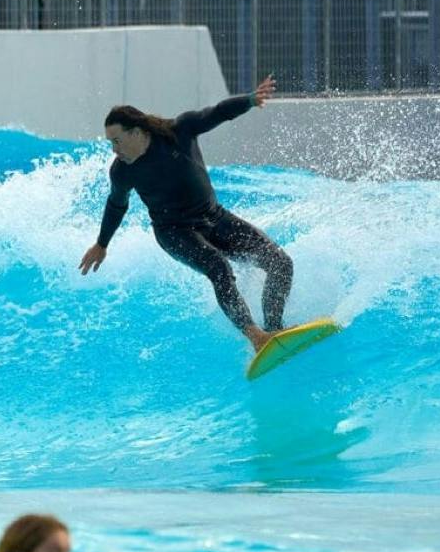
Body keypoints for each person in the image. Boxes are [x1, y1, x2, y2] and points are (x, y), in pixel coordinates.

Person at [80, 75, 291, 351]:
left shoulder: (178, 130)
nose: (114, 150)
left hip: (214, 217)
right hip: (174, 232)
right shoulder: (123, 171)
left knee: (280, 263)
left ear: (136, 132)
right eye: (111, 143)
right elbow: (117, 204)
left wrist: (250, 100)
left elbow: (215, 113)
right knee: (219, 268)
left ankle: (275, 329)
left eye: (117, 141)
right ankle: (256, 337)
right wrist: (102, 243)